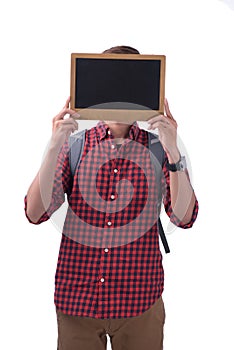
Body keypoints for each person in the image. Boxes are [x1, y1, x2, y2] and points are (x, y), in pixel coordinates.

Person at [24, 45, 199, 350]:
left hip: (140, 304)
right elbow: (34, 213)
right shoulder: (74, 147)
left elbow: (183, 218)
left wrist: (173, 149)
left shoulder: (158, 150)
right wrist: (53, 146)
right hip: (77, 302)